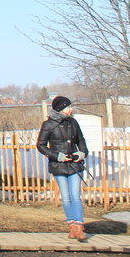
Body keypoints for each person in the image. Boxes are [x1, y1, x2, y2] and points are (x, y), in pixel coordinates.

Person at [36, 96, 89, 241]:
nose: (71, 109)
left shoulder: (73, 122)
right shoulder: (48, 125)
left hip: (74, 165)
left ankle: (79, 226)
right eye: (68, 107)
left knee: (75, 195)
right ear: (60, 109)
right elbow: (40, 145)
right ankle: (72, 226)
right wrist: (56, 156)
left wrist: (82, 153)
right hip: (58, 165)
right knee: (66, 197)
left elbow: (81, 141)